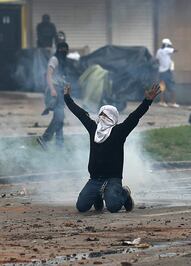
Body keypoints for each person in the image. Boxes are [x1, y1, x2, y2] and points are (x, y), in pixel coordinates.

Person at [63, 83, 161, 213]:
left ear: (113, 118)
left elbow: (134, 117)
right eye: (101, 115)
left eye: (106, 116)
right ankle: (98, 195)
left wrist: (147, 101)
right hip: (95, 179)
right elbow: (80, 114)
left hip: (113, 178)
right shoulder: (93, 129)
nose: (102, 118)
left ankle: (124, 194)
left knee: (113, 207)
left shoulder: (119, 131)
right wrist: (67, 97)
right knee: (81, 206)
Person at [37, 42, 69, 149]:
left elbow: (63, 78)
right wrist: (52, 89)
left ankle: (59, 144)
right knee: (59, 116)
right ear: (58, 49)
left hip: (60, 91)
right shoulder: (54, 59)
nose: (64, 51)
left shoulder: (63, 61)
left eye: (65, 49)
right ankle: (44, 139)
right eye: (62, 49)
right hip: (54, 92)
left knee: (59, 117)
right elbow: (48, 75)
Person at [156, 38, 179, 108]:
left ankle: (162, 102)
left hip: (161, 71)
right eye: (169, 45)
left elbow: (157, 60)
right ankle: (173, 102)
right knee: (172, 86)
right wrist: (171, 48)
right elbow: (175, 50)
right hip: (167, 72)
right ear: (167, 45)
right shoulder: (167, 50)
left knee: (162, 87)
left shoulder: (159, 51)